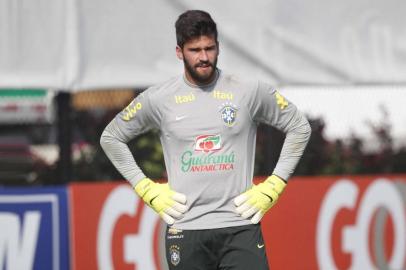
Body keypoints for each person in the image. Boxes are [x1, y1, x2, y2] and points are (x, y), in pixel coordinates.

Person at [100, 10, 311, 270]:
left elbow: (299, 126)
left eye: (209, 48)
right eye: (194, 50)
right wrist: (146, 188)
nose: (203, 57)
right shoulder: (159, 99)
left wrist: (275, 184)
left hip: (240, 227)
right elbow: (111, 137)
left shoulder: (248, 90)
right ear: (179, 52)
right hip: (186, 230)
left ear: (218, 48)